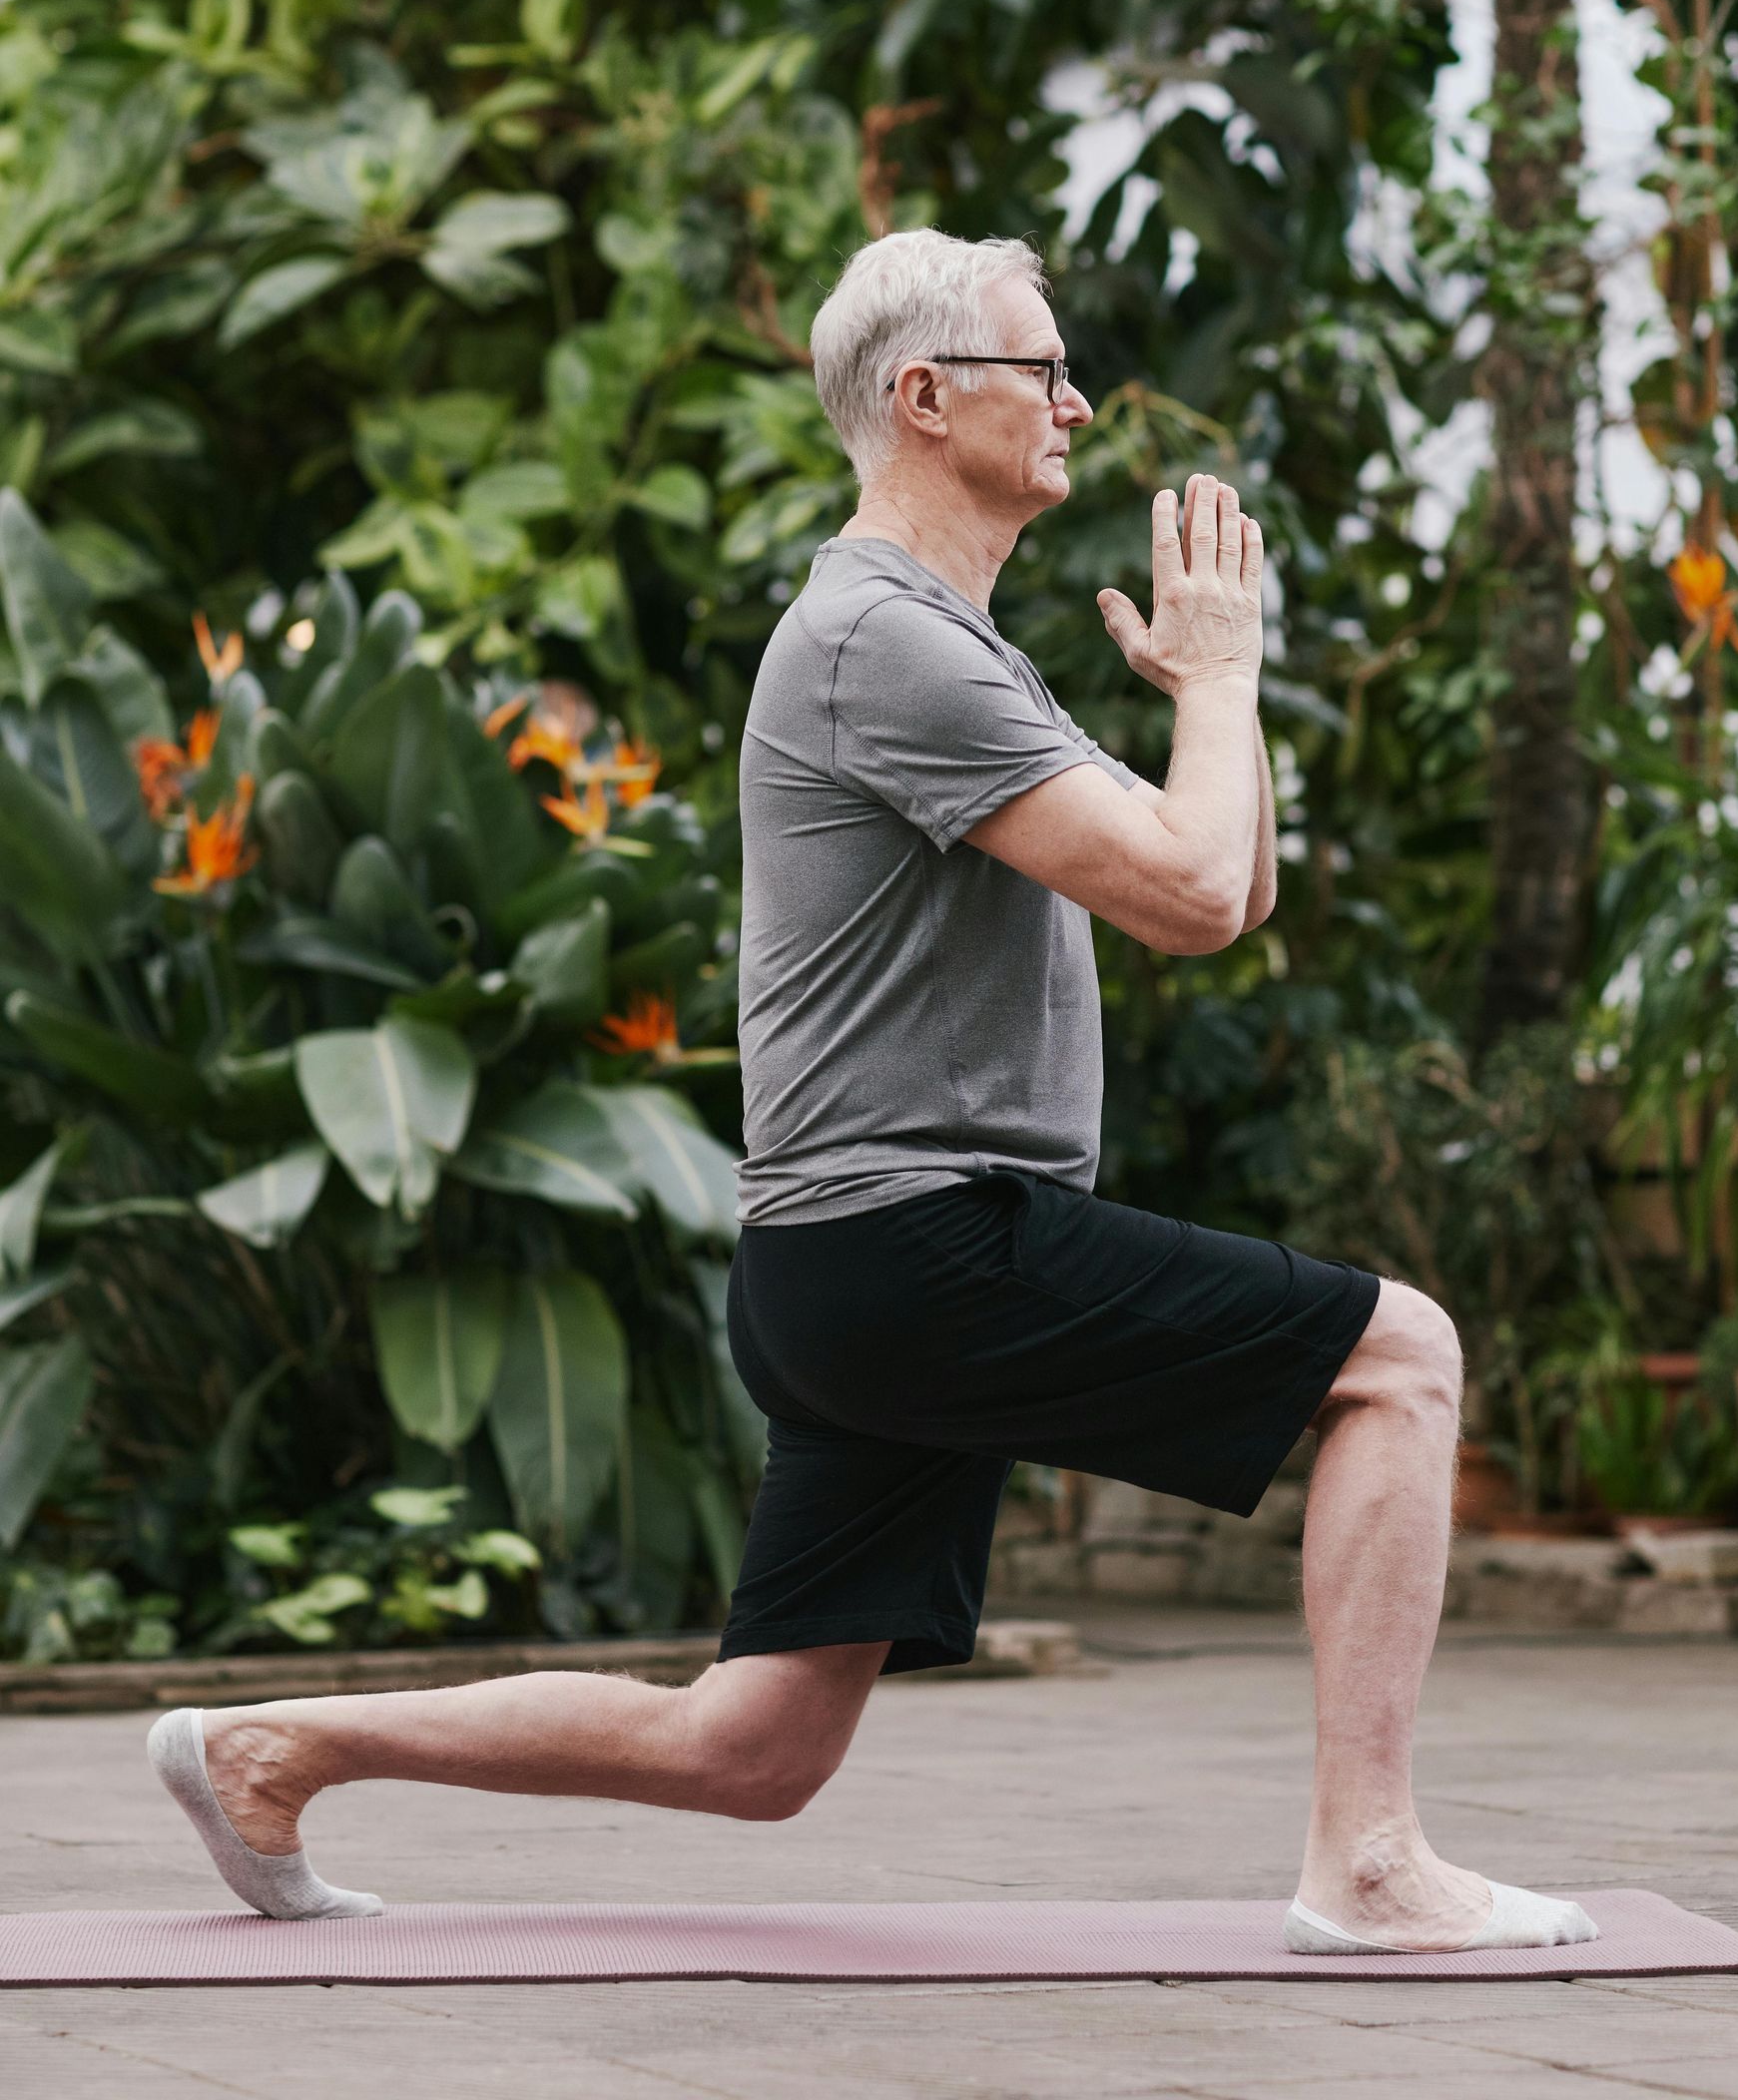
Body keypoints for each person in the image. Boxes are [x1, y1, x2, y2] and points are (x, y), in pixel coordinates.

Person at [150, 228, 1593, 1956]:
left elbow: (1230, 876)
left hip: (859, 1262)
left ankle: (273, 1751)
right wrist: (1215, 681)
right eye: (1038, 369)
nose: (1072, 402)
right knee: (1404, 1356)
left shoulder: (938, 640)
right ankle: (1369, 1866)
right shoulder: (883, 645)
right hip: (921, 1244)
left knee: (751, 1747)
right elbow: (1199, 898)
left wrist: (1233, 681)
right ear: (924, 398)